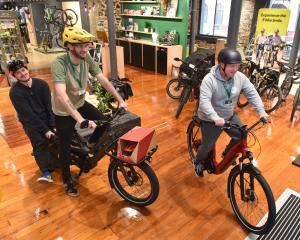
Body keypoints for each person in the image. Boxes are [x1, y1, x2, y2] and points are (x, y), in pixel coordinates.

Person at [51, 26, 127, 197]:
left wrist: (120, 100)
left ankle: (89, 146)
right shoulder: (59, 63)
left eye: (87, 45)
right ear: (69, 46)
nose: (85, 49)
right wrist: (79, 120)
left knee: (106, 125)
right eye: (80, 46)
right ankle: (67, 181)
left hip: (80, 102)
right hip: (63, 111)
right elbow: (61, 95)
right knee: (63, 147)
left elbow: (103, 81)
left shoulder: (87, 59)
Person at [192, 48, 269, 177]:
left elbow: (252, 93)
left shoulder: (239, 77)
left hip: (228, 115)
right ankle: (197, 161)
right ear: (222, 65)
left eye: (237, 66)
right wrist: (214, 117)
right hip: (210, 118)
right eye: (232, 66)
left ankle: (227, 153)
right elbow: (204, 101)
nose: (235, 69)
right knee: (207, 146)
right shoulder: (209, 79)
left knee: (241, 135)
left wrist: (262, 112)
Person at [8, 60, 55, 182]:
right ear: (14, 76)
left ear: (27, 69)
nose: (22, 74)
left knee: (58, 136)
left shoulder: (42, 84)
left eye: (23, 70)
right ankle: (46, 172)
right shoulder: (15, 92)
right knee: (39, 143)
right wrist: (45, 130)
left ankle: (56, 160)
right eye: (18, 73)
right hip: (30, 122)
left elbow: (49, 106)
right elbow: (28, 114)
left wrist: (52, 124)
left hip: (46, 117)